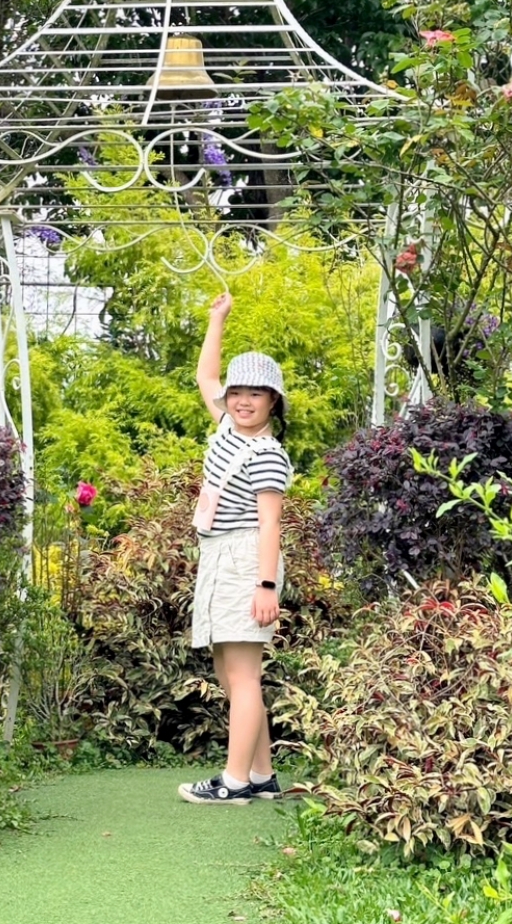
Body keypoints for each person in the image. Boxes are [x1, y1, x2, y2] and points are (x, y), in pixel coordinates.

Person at [177, 290, 293, 805]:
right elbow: (205, 377)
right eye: (237, 392)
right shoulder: (226, 428)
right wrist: (216, 319)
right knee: (230, 672)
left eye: (256, 394)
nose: (243, 401)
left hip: (248, 557)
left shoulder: (269, 455)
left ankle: (235, 782)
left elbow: (272, 525)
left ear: (274, 402)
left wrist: (266, 585)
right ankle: (262, 774)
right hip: (218, 553)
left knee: (243, 674)